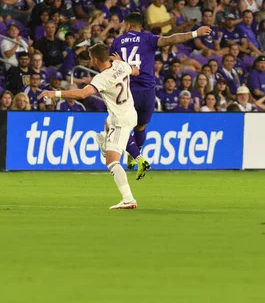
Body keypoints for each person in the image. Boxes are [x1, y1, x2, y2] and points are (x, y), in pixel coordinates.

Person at [40, 44, 140, 209]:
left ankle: (128, 198)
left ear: (94, 59)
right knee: (107, 123)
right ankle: (106, 144)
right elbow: (136, 70)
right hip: (130, 113)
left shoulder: (102, 78)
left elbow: (82, 94)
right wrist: (123, 64)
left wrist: (55, 93)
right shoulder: (120, 65)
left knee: (112, 161)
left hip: (120, 120)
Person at [109, 12, 211, 171]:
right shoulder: (148, 38)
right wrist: (195, 33)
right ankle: (135, 153)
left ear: (127, 25)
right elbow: (172, 39)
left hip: (127, 90)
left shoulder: (117, 41)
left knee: (119, 126)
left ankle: (133, 154)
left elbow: (112, 65)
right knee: (141, 126)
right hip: (148, 89)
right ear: (140, 26)